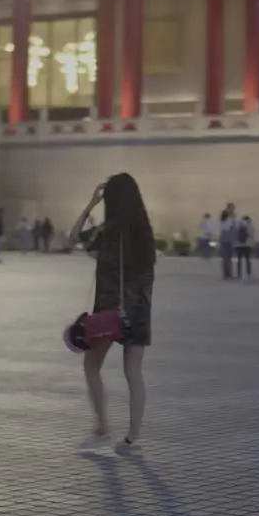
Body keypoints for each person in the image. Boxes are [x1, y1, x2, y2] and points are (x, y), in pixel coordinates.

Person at [70, 173, 156, 456]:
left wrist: (91, 205)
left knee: (91, 366)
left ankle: (103, 429)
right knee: (134, 374)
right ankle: (132, 440)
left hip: (110, 313)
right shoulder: (145, 234)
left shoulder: (108, 232)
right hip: (139, 314)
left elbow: (72, 239)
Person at [235, 215, 254, 280]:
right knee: (248, 260)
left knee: (239, 260)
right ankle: (248, 273)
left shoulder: (238, 225)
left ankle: (239, 274)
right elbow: (251, 235)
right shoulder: (250, 226)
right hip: (247, 245)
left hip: (239, 245)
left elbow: (236, 234)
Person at [218, 208, 235, 280]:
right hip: (228, 239)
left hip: (222, 238)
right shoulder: (229, 220)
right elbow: (232, 227)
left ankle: (225, 274)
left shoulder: (221, 221)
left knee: (224, 258)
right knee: (229, 258)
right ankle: (229, 274)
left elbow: (220, 231)